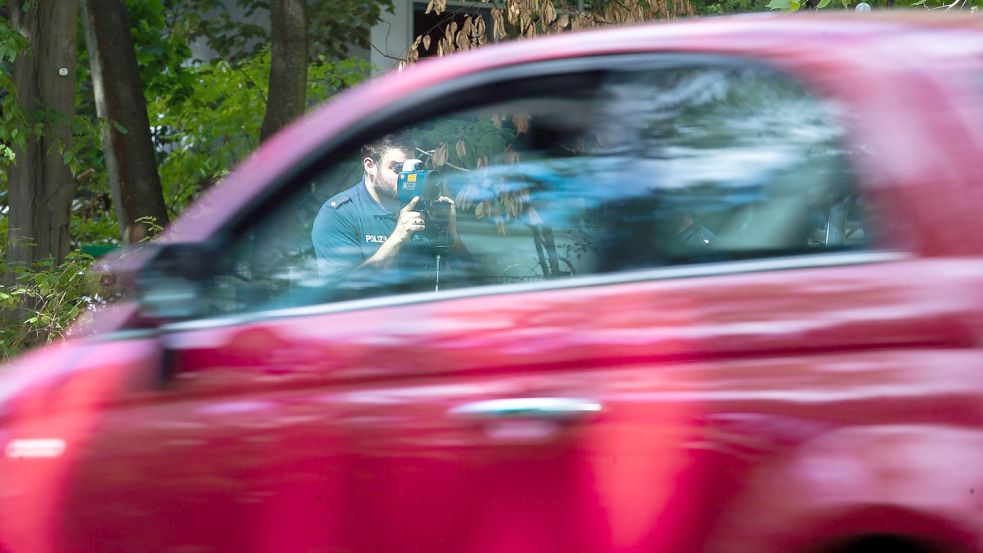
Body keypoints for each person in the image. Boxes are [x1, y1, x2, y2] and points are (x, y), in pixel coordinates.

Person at [311, 136, 467, 280]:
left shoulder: (424, 205)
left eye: (412, 167)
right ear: (370, 166)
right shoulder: (338, 215)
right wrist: (397, 239)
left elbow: (470, 277)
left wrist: (451, 234)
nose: (406, 176)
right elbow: (339, 293)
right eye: (398, 168)